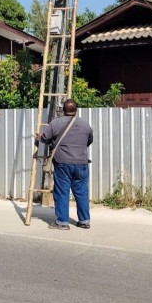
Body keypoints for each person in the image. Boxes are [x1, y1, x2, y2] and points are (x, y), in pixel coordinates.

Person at [40, 98, 93, 230]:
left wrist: (39, 137)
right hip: (81, 163)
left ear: (63, 110)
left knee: (62, 191)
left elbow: (45, 138)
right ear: (76, 110)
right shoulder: (85, 125)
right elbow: (89, 141)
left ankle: (62, 222)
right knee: (81, 192)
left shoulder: (56, 123)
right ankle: (84, 221)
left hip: (63, 163)